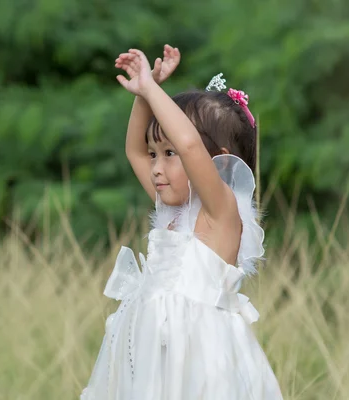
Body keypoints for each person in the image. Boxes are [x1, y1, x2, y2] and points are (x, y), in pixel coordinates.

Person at [80, 45, 283, 399]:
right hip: (152, 362)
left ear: (218, 162)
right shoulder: (173, 210)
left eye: (169, 154)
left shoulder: (221, 215)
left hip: (201, 365)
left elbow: (190, 145)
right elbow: (133, 150)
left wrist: (151, 90)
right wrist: (146, 91)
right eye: (155, 155)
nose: (156, 167)